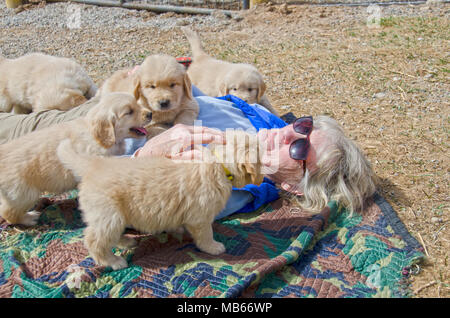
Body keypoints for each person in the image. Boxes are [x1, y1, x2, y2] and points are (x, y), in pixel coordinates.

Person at [0, 87, 376, 219]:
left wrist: (145, 158)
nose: (291, 134)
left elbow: (128, 203)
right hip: (94, 113)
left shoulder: (227, 186)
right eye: (305, 127)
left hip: (51, 146)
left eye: (299, 149)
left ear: (296, 187)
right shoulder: (264, 121)